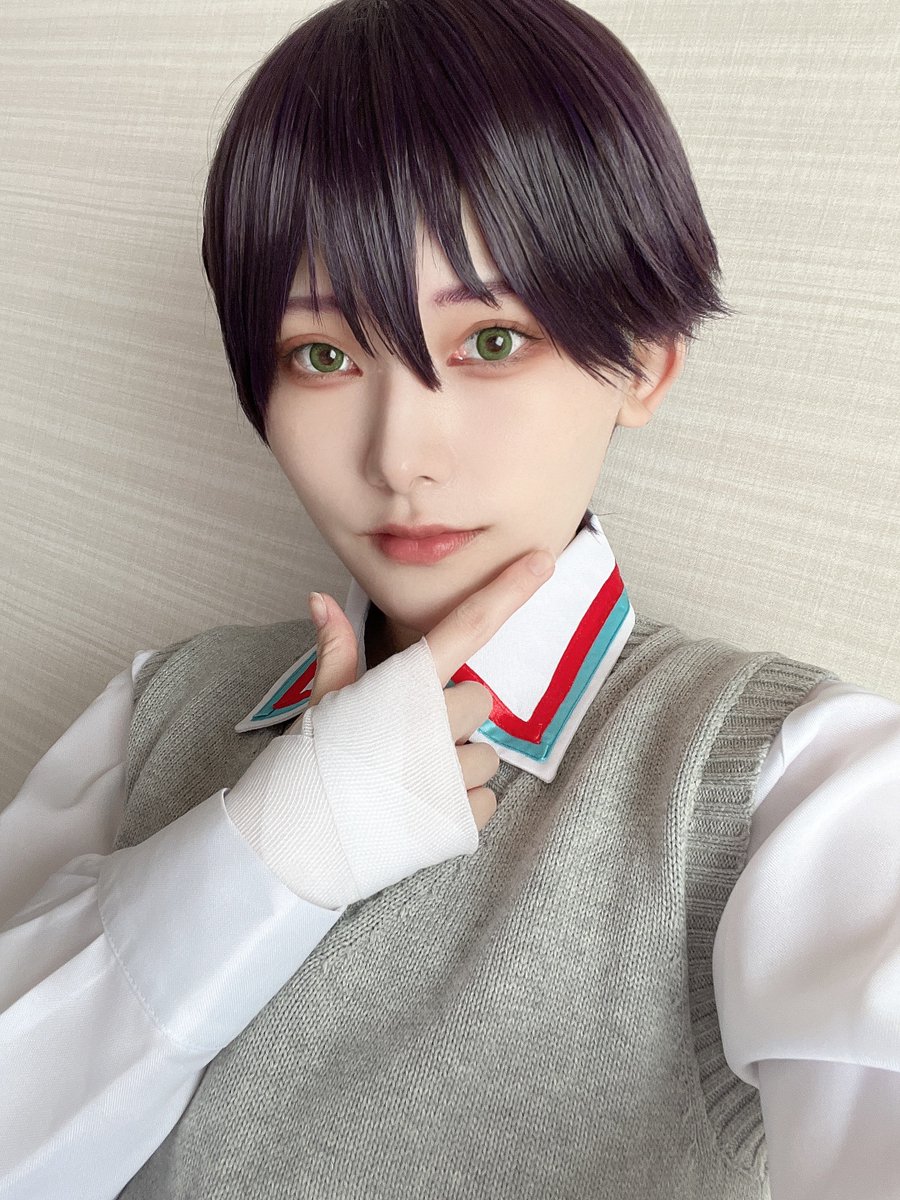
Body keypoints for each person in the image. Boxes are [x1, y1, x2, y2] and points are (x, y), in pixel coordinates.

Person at [1, 0, 898, 1197]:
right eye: (323, 355)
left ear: (644, 361)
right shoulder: (153, 708)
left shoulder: (793, 784)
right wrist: (266, 855)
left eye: (491, 343)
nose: (400, 455)